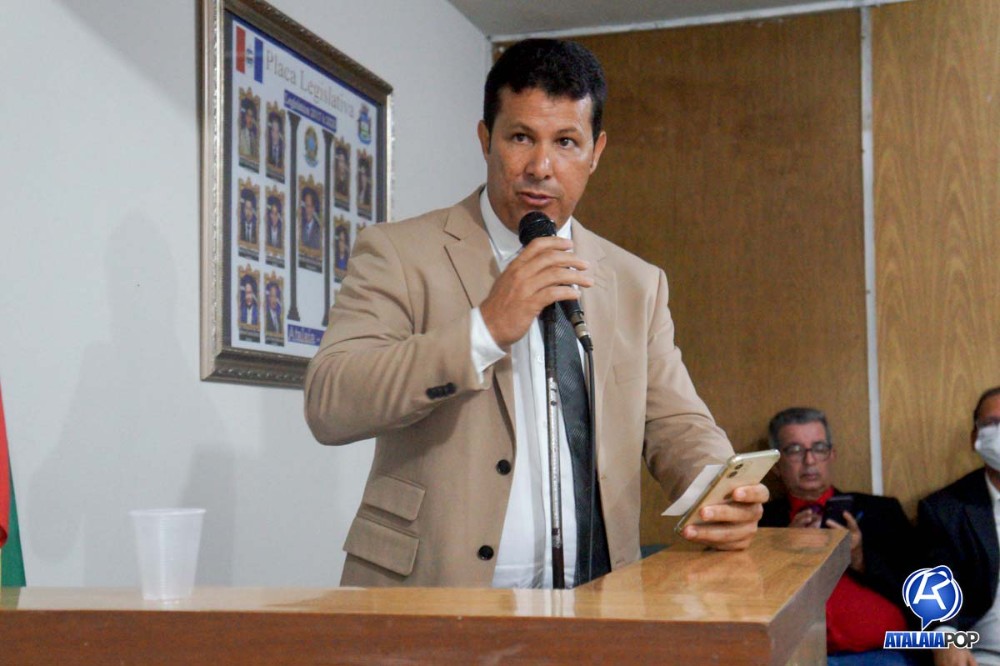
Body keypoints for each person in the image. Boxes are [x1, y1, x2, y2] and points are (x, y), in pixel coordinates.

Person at [304, 38, 766, 589]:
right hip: (431, 594)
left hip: (595, 597)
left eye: (566, 142)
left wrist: (720, 488)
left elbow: (676, 422)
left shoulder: (637, 282)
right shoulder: (399, 252)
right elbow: (331, 402)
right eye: (521, 137)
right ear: (486, 140)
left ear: (595, 152)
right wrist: (484, 330)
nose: (540, 167)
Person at [759, 407, 919, 665]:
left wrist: (859, 557)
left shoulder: (881, 511)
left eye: (819, 448)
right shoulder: (759, 524)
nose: (810, 460)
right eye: (795, 450)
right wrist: (785, 556)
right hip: (796, 657)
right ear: (777, 465)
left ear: (832, 454)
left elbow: (918, 586)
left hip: (882, 653)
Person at [918, 386, 1000, 666]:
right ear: (975, 437)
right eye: (992, 423)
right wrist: (945, 636)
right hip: (984, 656)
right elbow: (937, 582)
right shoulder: (945, 510)